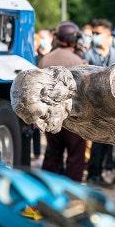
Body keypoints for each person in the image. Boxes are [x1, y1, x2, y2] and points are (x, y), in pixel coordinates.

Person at [38, 21, 87, 182]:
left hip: (49, 114)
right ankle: (71, 193)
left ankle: (46, 191)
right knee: (75, 155)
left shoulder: (45, 59)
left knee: (52, 153)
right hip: (71, 116)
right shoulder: (77, 61)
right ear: (72, 39)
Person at [84, 19, 115, 187]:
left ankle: (101, 174)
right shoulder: (88, 55)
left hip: (112, 106)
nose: (94, 37)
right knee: (96, 143)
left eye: (98, 33)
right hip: (93, 106)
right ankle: (93, 175)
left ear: (108, 35)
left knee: (107, 143)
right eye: (93, 33)